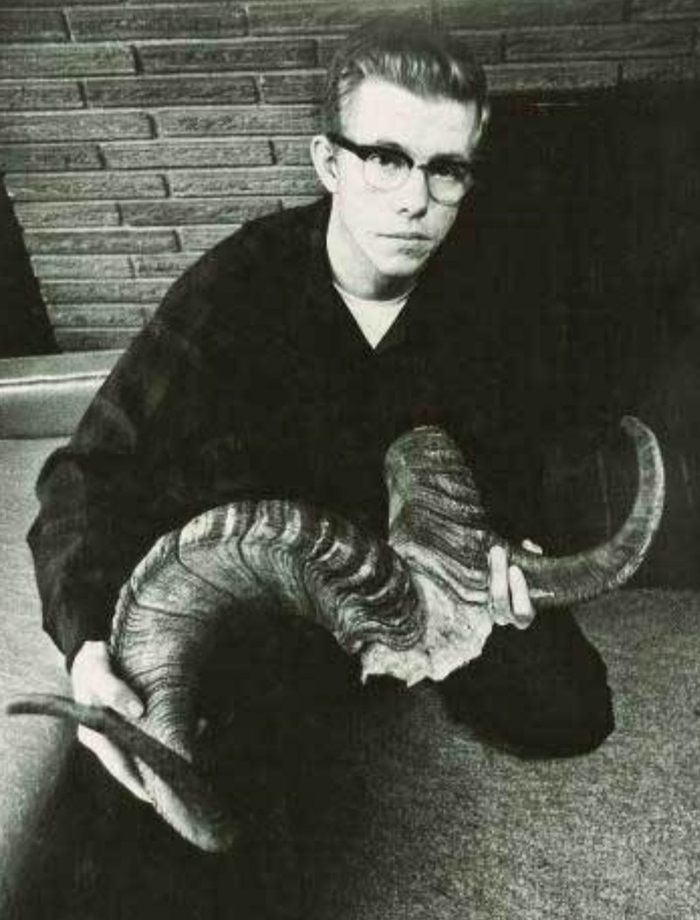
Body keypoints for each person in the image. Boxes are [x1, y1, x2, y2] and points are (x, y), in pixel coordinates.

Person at [27, 14, 614, 915]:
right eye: (385, 158)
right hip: (278, 592)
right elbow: (88, 471)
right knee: (204, 813)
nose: (416, 200)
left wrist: (508, 548)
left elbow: (513, 454)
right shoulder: (235, 288)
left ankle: (393, 670)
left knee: (568, 710)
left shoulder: (491, 295)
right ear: (328, 163)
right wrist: (86, 643)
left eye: (446, 168)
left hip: (419, 574)